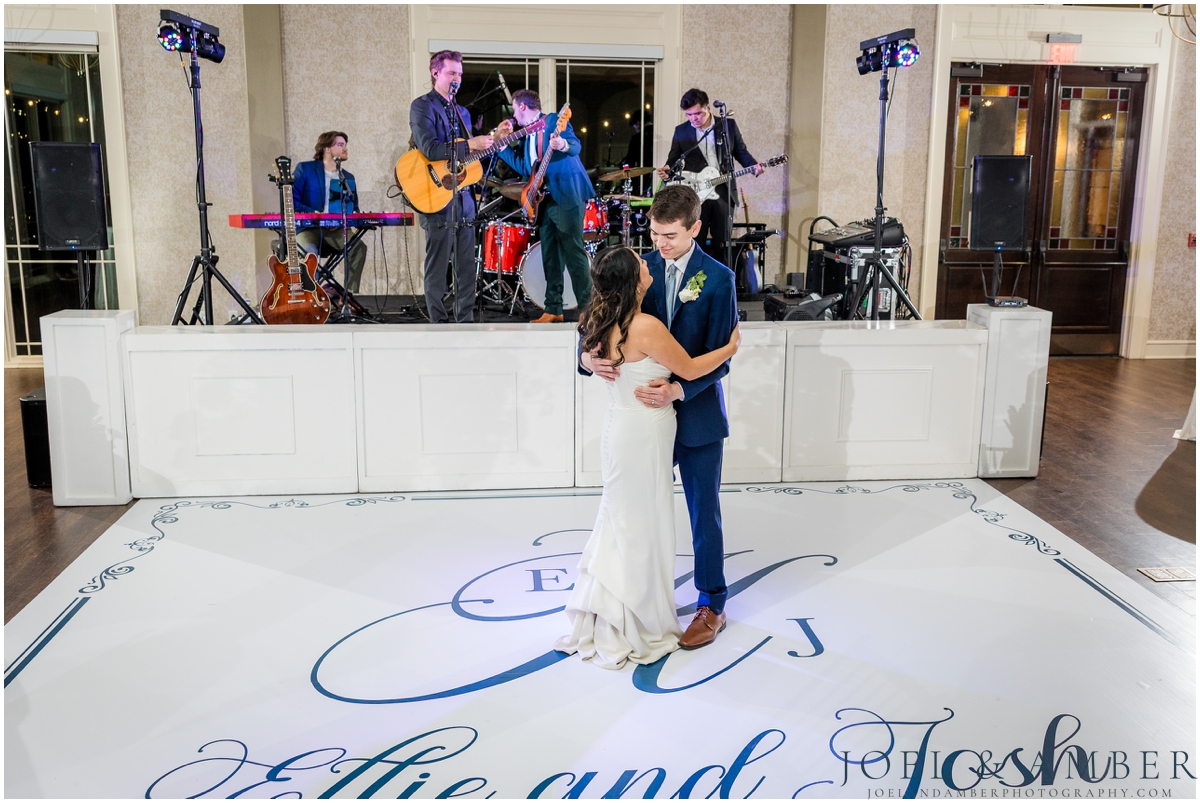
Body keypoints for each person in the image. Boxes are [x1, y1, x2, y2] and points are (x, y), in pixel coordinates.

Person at [555, 245, 740, 669]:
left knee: (682, 514)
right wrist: (733, 348)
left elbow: (597, 329)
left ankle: (710, 604)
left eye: (667, 233)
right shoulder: (645, 302)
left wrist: (678, 390)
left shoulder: (719, 279)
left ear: (693, 227)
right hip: (645, 429)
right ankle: (636, 612)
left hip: (667, 422)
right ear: (631, 276)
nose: (655, 248)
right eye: (652, 236)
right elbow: (690, 363)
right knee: (641, 521)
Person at [494, 90, 593, 323]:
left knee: (574, 254)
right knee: (551, 255)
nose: (513, 114)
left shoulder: (551, 122)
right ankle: (553, 309)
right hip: (543, 199)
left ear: (523, 107)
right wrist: (501, 148)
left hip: (566, 194)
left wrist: (561, 143)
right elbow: (523, 165)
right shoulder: (528, 134)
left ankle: (589, 312)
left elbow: (575, 146)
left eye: (514, 108)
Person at [410, 50, 494, 323]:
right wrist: (471, 143)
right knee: (437, 265)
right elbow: (431, 149)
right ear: (435, 73)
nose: (457, 78)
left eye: (459, 73)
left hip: (464, 196)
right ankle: (437, 322)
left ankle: (465, 320)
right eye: (451, 73)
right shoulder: (422, 106)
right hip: (435, 194)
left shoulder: (462, 112)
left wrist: (494, 140)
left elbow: (466, 158)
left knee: (466, 265)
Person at [656, 88, 764, 264]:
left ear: (708, 107)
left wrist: (753, 166)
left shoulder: (727, 126)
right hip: (696, 194)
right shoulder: (681, 131)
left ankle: (723, 285)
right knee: (694, 242)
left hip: (723, 191)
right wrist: (667, 170)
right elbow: (673, 160)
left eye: (697, 113)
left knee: (723, 243)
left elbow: (741, 152)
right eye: (689, 115)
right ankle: (693, 286)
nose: (693, 119)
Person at [291, 131, 368, 294]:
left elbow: (354, 208)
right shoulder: (305, 169)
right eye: (340, 145)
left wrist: (348, 219)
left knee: (358, 248)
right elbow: (291, 201)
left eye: (345, 145)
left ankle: (346, 297)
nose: (345, 149)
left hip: (336, 231)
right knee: (308, 253)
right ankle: (311, 296)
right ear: (326, 148)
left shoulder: (347, 177)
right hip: (309, 228)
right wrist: (316, 214)